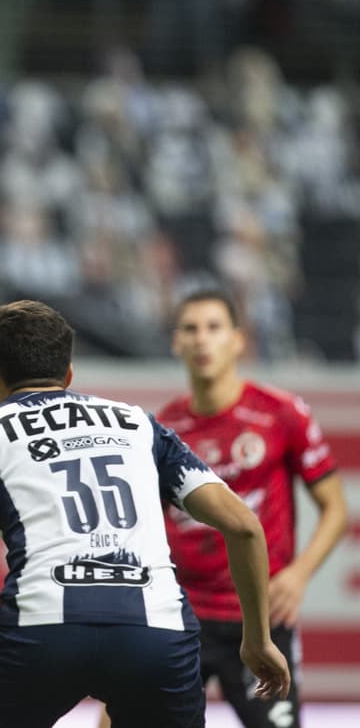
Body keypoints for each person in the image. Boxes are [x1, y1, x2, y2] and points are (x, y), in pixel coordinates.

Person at [0, 300, 291, 728]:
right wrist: (257, 640)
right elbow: (244, 527)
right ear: (68, 375)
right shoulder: (139, 425)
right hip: (156, 634)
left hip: (41, 634)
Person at [96, 288, 346, 728]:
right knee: (115, 720)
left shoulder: (281, 414)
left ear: (238, 339)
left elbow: (336, 509)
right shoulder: (163, 429)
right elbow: (139, 525)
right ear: (176, 342)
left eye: (213, 328)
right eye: (190, 329)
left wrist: (298, 574)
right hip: (181, 615)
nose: (202, 339)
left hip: (260, 618)